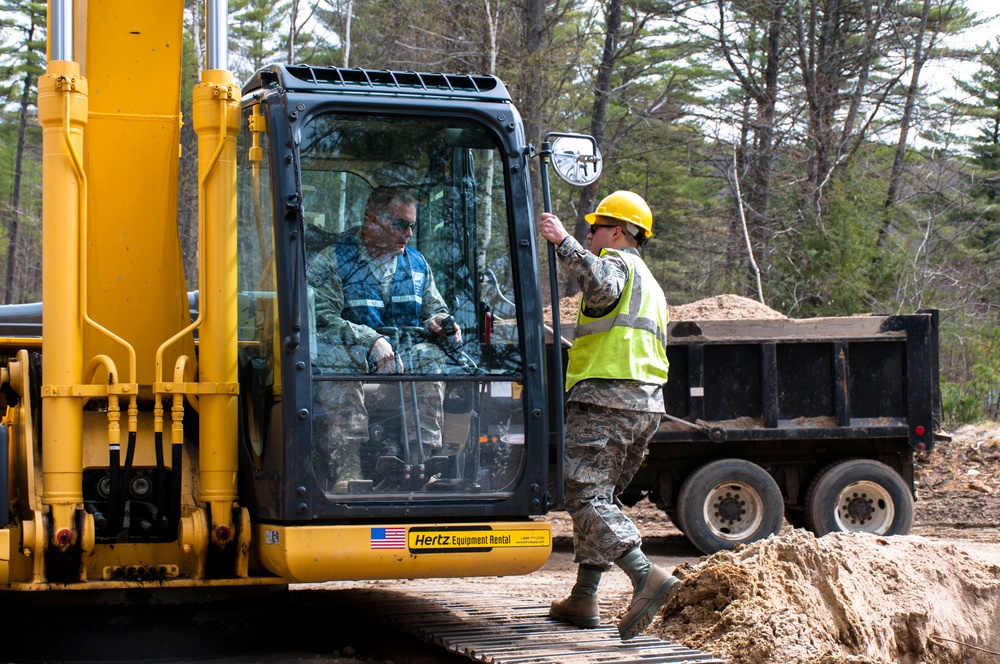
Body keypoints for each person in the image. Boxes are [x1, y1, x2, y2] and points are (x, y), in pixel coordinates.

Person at [538, 190, 679, 640]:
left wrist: (563, 242)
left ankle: (645, 576)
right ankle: (584, 596)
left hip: (606, 401)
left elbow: (597, 283)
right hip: (643, 406)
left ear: (618, 232)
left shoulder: (617, 263)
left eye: (596, 228)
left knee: (583, 496)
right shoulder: (651, 284)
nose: (590, 233)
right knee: (600, 499)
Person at [307, 186, 461, 492]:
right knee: (340, 360)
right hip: (353, 367)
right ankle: (348, 467)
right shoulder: (333, 261)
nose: (409, 234)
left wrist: (440, 323)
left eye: (412, 226)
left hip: (402, 368)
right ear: (372, 220)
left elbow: (433, 308)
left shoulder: (416, 264)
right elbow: (320, 319)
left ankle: (422, 461)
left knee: (429, 356)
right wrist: (370, 340)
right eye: (401, 224)